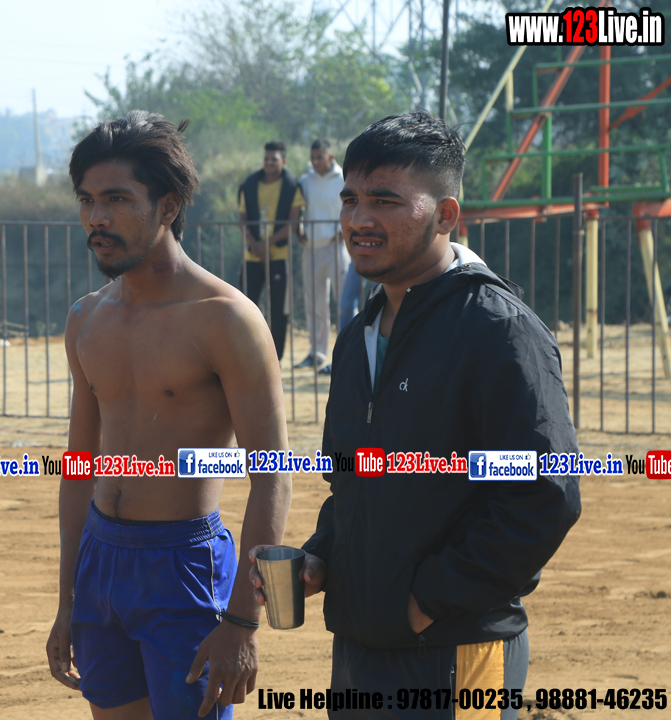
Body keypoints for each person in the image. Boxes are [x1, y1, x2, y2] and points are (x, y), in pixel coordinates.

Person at [249, 111, 582, 719]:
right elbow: (353, 487)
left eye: (385, 201)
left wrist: (429, 600)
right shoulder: (357, 337)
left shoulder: (498, 330)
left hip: (455, 651)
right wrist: (322, 557)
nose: (359, 219)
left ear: (445, 215)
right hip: (360, 649)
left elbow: (546, 494)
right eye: (350, 199)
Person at [47, 111, 292, 720]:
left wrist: (243, 619)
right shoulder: (85, 318)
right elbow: (79, 469)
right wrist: (68, 598)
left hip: (185, 568)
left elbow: (273, 478)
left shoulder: (227, 319)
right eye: (86, 200)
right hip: (99, 560)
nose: (96, 217)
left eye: (116, 199)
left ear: (169, 206)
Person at [238, 141, 305, 361]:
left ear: (283, 161)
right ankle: (245, 356)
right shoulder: (250, 184)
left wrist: (266, 245)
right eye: (266, 159)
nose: (269, 163)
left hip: (279, 257)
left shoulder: (292, 185)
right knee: (244, 308)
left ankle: (275, 359)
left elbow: (293, 222)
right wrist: (254, 244)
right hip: (252, 257)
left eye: (274, 159)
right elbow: (242, 219)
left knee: (278, 311)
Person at [294, 140, 348, 373]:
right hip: (312, 247)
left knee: (344, 302)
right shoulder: (305, 180)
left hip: (337, 247)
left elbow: (353, 204)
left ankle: (348, 353)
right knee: (315, 302)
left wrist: (346, 230)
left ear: (330, 157)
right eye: (313, 157)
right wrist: (298, 229)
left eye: (320, 157)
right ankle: (317, 353)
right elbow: (298, 208)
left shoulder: (344, 178)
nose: (315, 161)